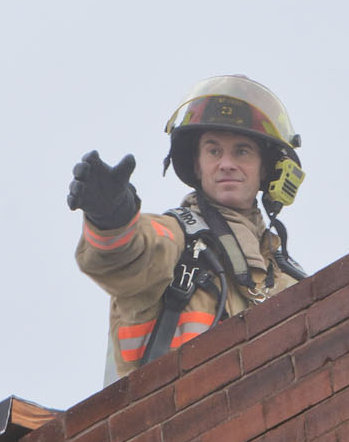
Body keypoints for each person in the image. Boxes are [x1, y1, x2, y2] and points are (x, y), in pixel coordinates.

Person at [69, 74, 309, 380]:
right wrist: (112, 220)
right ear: (197, 164)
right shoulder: (178, 239)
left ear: (265, 169)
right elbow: (133, 253)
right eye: (213, 151)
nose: (226, 163)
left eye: (242, 151)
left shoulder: (289, 279)